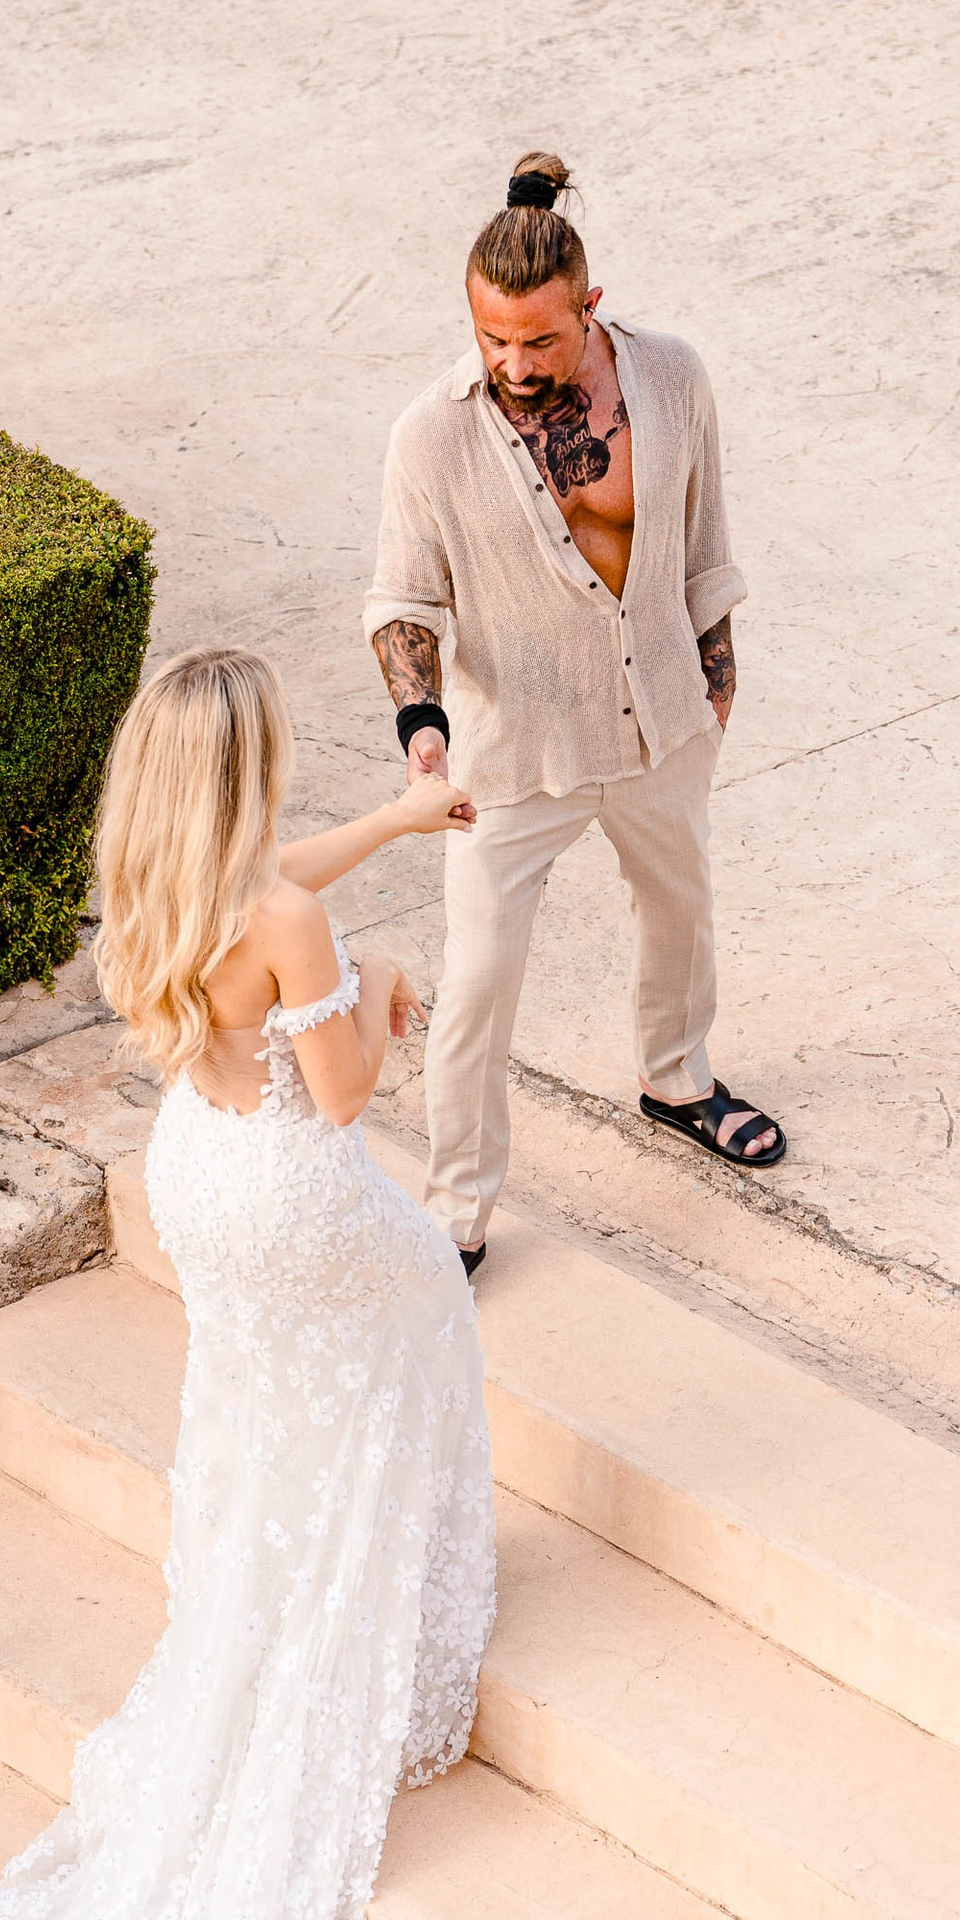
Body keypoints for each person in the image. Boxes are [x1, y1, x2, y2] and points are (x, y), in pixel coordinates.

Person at [0, 647, 495, 1920]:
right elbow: (347, 1090)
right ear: (249, 769)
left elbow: (277, 885)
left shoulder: (160, 878)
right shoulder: (289, 925)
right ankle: (391, 1603)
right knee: (424, 1308)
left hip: (201, 1171)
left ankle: (287, 1564)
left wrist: (399, 820)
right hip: (294, 1184)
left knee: (274, 1400)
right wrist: (385, 984)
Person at [367, 149, 785, 1273]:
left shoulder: (672, 377)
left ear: (589, 305)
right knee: (477, 984)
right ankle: (454, 1215)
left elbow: (704, 538)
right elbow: (403, 603)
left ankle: (677, 1080)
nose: (513, 364)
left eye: (540, 341)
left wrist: (717, 675)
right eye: (491, 339)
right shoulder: (431, 436)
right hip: (512, 753)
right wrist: (423, 732)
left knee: (681, 906)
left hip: (660, 717)